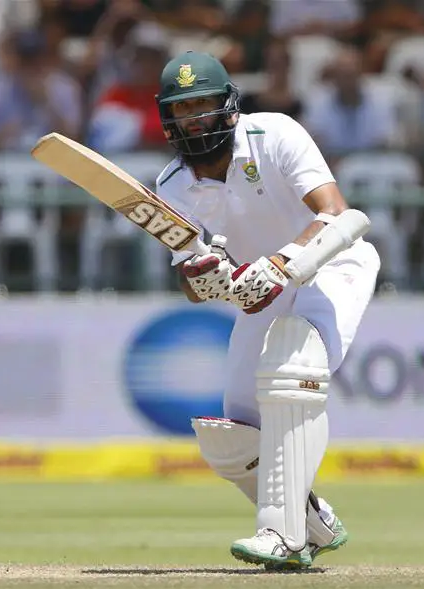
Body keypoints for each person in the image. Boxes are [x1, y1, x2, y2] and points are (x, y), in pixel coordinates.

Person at [153, 51, 381, 569]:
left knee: (293, 370)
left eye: (203, 105)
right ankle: (314, 523)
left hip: (332, 265)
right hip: (261, 289)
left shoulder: (274, 133)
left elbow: (337, 213)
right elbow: (192, 281)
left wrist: (281, 263)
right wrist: (205, 278)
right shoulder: (171, 185)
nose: (194, 118)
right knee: (231, 439)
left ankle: (284, 536)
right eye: (183, 109)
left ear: (228, 105)